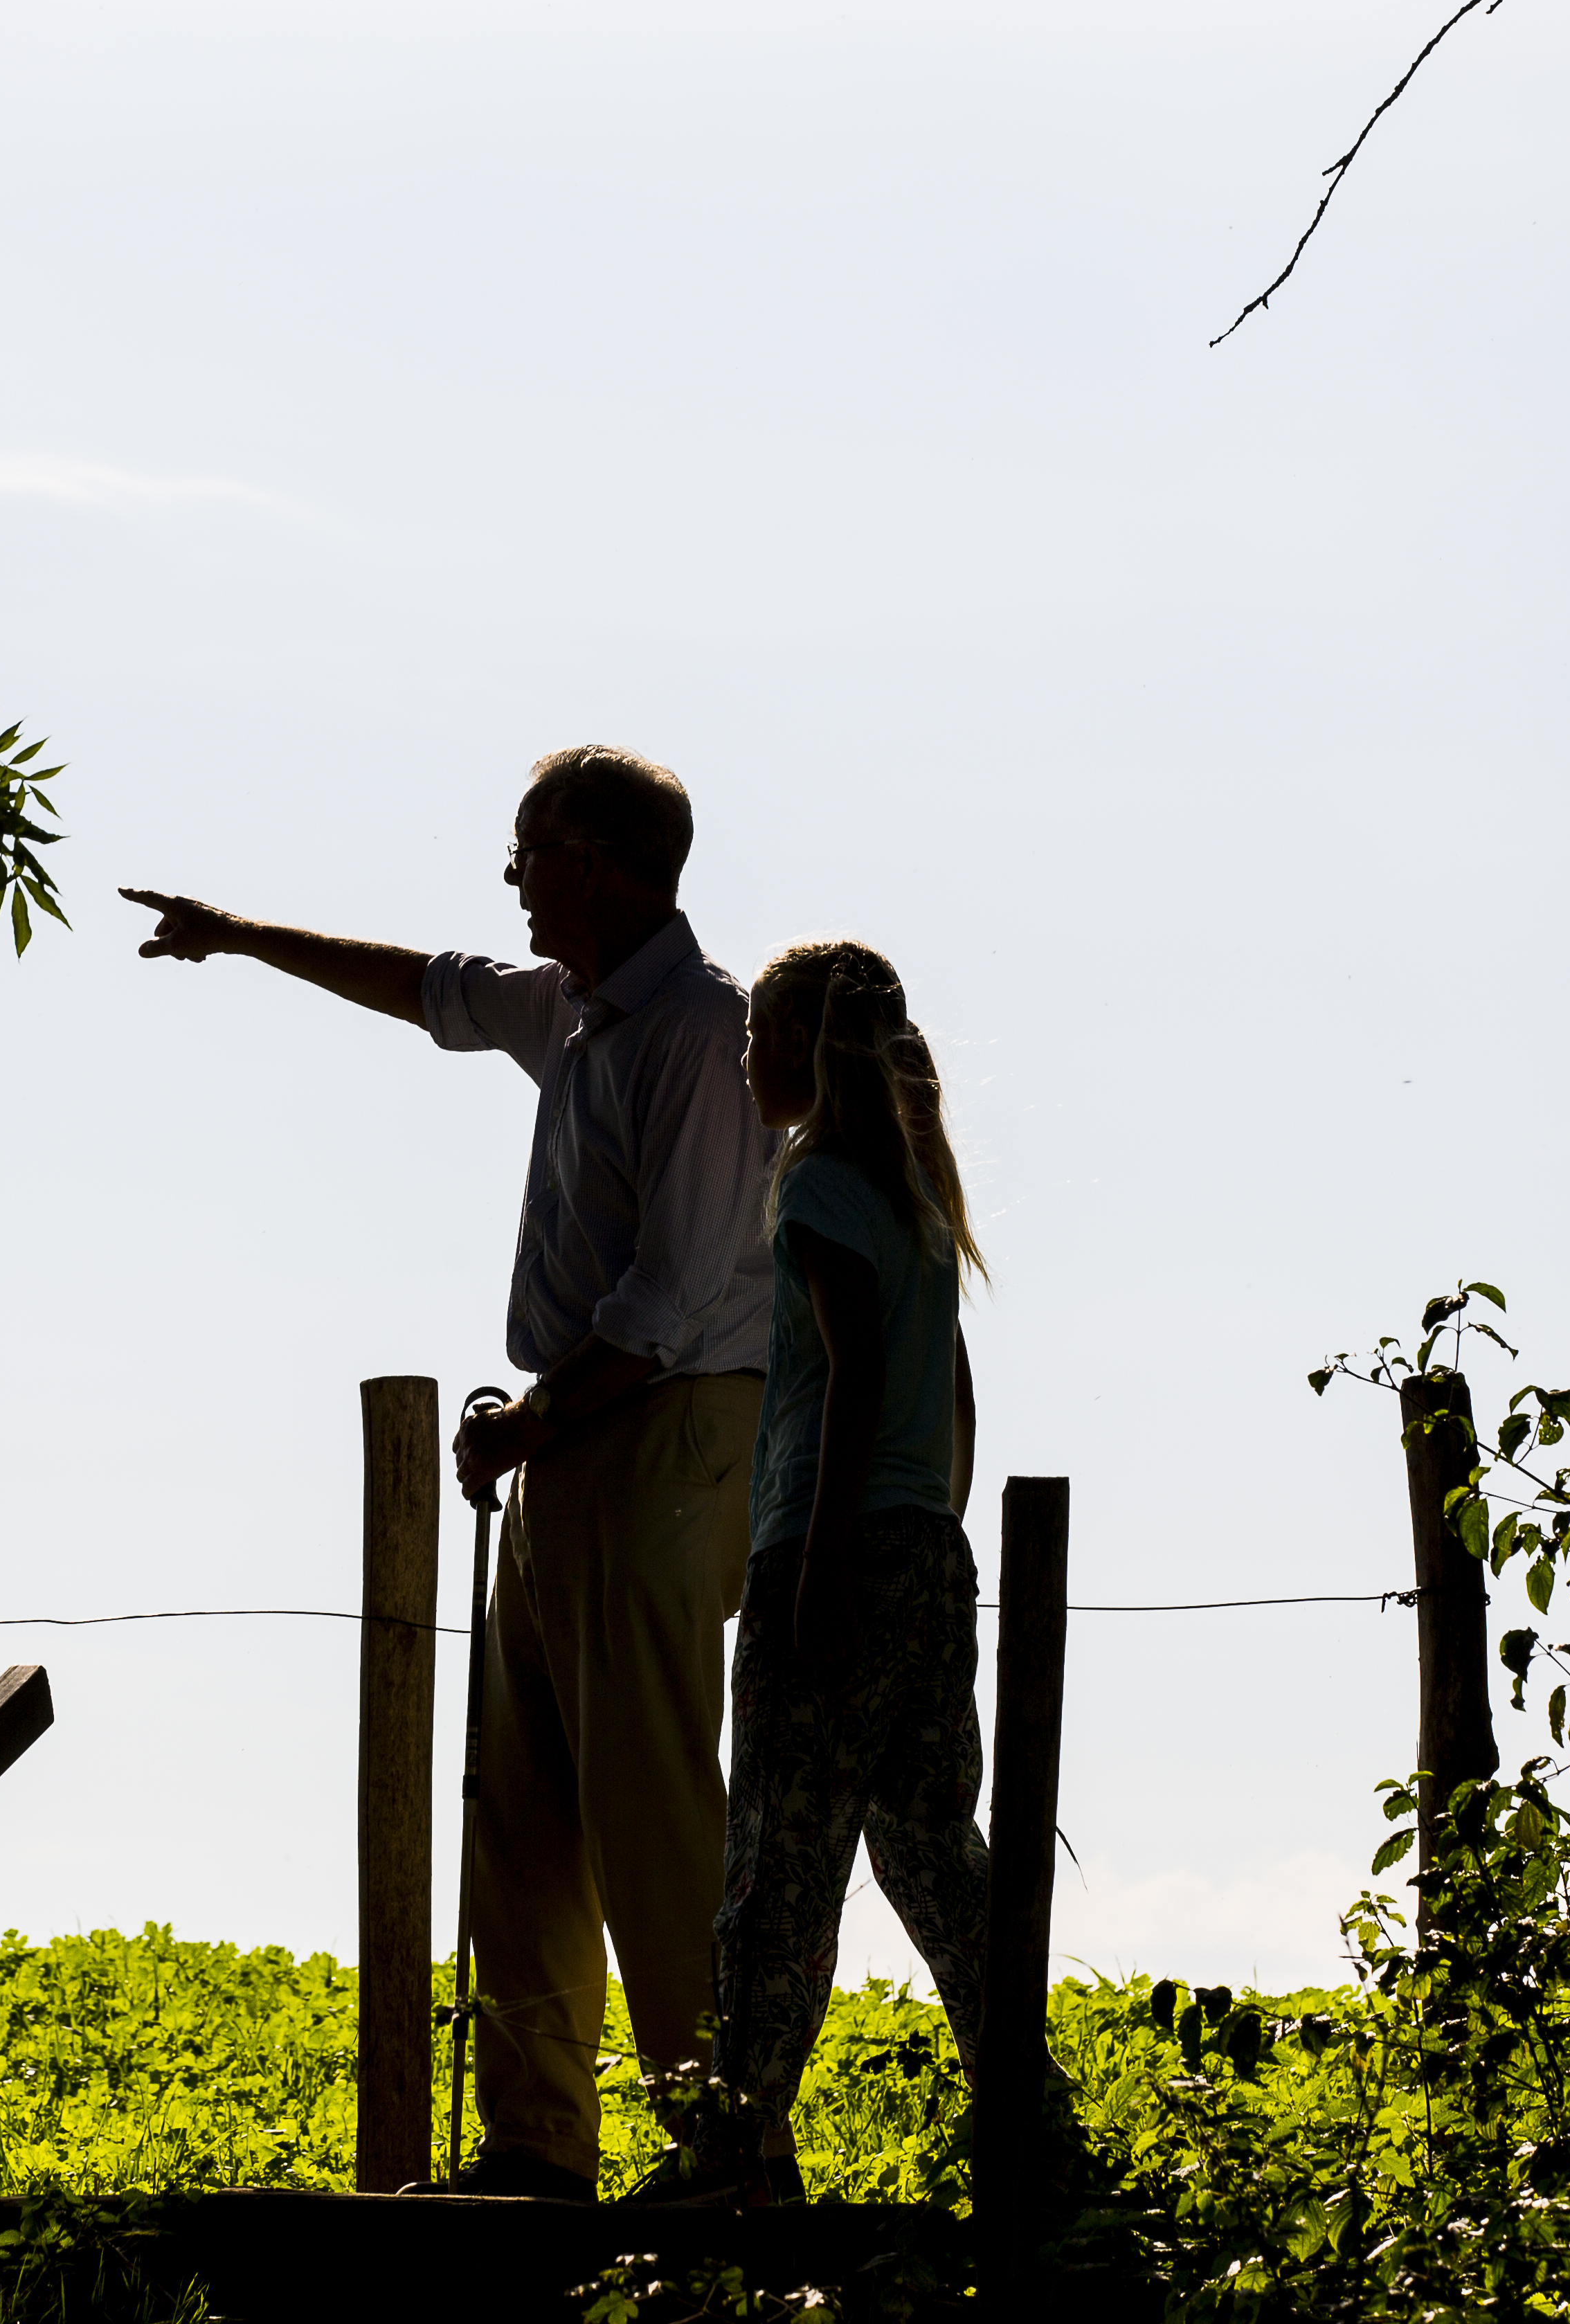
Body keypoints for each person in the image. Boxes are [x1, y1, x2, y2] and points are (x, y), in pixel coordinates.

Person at [119, 745, 769, 2200]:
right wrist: (237, 936)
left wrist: (532, 1421)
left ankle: (724, 2146)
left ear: (599, 862)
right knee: (522, 1802)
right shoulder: (582, 1013)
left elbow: (665, 1309)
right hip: (572, 1443)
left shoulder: (699, 1036)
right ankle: (538, 2149)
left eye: (529, 849)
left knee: (652, 1798)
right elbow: (428, 985)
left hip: (661, 1441)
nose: (514, 876)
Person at [658, 937, 998, 2208]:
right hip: (922, 1553)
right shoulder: (916, 1195)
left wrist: (816, 1564)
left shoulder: (812, 1186)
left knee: (776, 1860)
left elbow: (850, 1375)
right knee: (930, 1851)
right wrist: (929, 1539)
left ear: (805, 1052)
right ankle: (1025, 2112)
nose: (743, 1055)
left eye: (757, 1036)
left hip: (829, 1541)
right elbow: (951, 1394)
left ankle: (733, 2152)